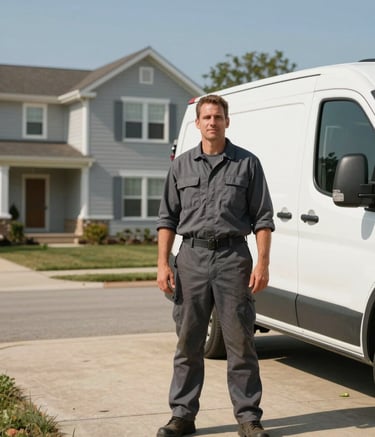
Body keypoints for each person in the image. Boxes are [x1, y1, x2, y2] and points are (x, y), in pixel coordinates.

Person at [156, 94, 275, 437]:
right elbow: (167, 219)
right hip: (190, 258)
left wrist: (262, 264)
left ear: (227, 121)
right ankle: (182, 416)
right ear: (197, 124)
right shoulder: (180, 166)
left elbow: (263, 219)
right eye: (206, 117)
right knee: (188, 342)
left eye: (218, 116)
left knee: (241, 343)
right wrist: (162, 264)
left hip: (233, 259)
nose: (212, 122)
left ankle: (249, 418)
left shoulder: (247, 164)